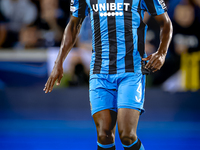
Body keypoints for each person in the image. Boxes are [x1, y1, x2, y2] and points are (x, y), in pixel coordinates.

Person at [43, 0, 172, 149]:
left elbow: (165, 22)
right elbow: (73, 25)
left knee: (127, 136)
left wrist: (162, 53)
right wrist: (58, 62)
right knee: (104, 136)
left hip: (131, 71)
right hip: (100, 72)